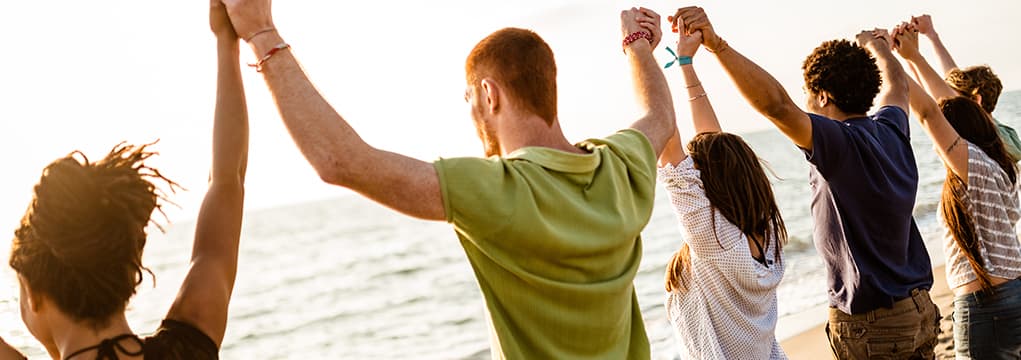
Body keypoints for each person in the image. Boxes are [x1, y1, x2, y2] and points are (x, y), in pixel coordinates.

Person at [219, 1, 676, 358]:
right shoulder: (619, 167)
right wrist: (636, 45)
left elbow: (341, 161)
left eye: (468, 99)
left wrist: (262, 34)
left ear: (488, 94)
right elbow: (659, 116)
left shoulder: (499, 190)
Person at [674, 7, 939, 359]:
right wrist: (880, 48)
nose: (805, 104)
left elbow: (777, 106)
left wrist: (718, 46)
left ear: (824, 97)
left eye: (808, 95)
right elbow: (898, 85)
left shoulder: (838, 145)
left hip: (876, 323)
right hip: (918, 309)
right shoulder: (891, 130)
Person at [1, 2, 250, 359]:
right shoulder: (190, 341)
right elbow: (227, 179)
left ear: (34, 296)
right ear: (124, 280)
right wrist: (227, 40)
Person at [655, 10, 787, 360]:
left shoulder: (714, 239)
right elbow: (712, 142)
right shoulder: (767, 234)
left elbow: (670, 142)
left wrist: (644, 52)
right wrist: (684, 62)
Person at [893, 27, 1021, 360]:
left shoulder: (973, 164)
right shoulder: (1001, 162)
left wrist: (890, 58)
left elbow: (929, 112)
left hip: (984, 303)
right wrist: (917, 53)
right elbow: (948, 100)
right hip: (1014, 292)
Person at [903, 14, 1021, 162]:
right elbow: (950, 78)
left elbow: (946, 96)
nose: (948, 105)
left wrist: (913, 56)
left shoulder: (992, 138)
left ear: (977, 100)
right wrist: (930, 36)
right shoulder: (993, 128)